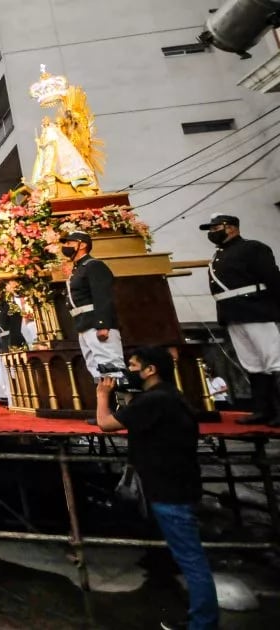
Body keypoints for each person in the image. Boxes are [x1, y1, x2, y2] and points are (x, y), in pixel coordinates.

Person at [95, 347, 217, 630]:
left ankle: (203, 624)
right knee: (185, 555)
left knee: (191, 559)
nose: (129, 371)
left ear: (151, 370)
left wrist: (103, 396)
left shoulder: (153, 401)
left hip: (169, 490)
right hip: (177, 483)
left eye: (134, 366)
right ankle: (199, 617)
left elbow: (105, 423)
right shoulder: (170, 396)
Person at [200, 213, 280, 426]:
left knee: (274, 360)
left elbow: (272, 278)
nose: (212, 232)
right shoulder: (220, 254)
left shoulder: (252, 248)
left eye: (216, 228)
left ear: (232, 228)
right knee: (252, 363)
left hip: (256, 310)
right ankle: (263, 410)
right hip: (233, 314)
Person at [61, 231, 125, 379]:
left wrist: (103, 325)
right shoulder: (78, 269)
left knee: (110, 367)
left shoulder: (94, 265)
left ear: (82, 245)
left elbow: (102, 296)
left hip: (96, 324)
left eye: (70, 242)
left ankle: (122, 401)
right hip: (84, 324)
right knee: (95, 368)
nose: (66, 246)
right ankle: (105, 400)